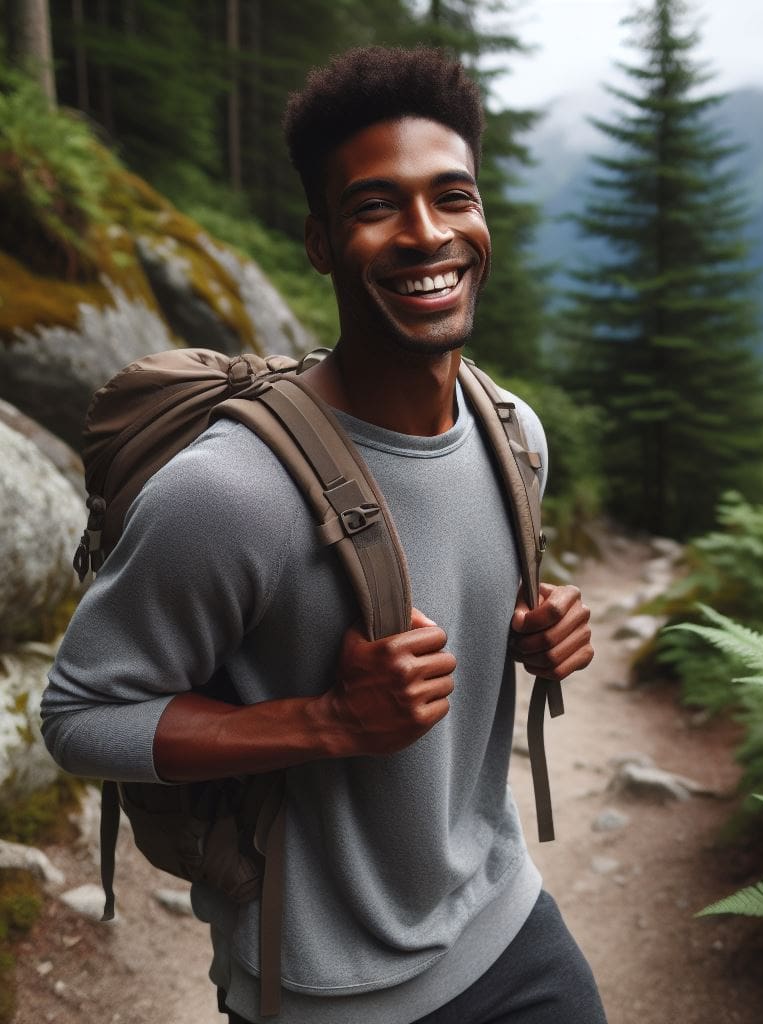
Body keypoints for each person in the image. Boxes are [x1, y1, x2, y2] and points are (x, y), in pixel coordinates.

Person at [41, 45, 607, 1024]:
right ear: (318, 241)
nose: (427, 234)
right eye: (376, 206)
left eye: (452, 197)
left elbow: (464, 592)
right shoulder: (231, 491)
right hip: (328, 992)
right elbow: (79, 717)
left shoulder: (513, 433)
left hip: (511, 929)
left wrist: (533, 629)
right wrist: (328, 721)